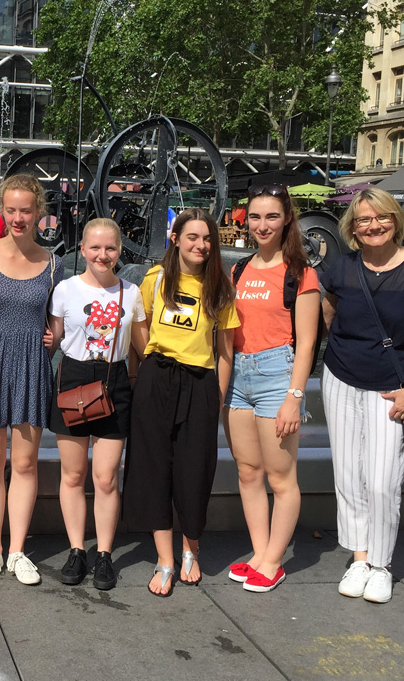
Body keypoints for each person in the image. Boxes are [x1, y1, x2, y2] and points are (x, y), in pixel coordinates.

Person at [320, 188, 404, 604]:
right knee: (348, 476)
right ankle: (359, 557)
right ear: (352, 228)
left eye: (382, 217)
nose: (373, 225)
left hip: (394, 387)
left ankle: (381, 564)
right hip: (341, 379)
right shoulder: (341, 267)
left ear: (396, 219)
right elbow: (329, 315)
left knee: (382, 480)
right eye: (363, 220)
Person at [122, 208, 238, 597]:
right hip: (157, 377)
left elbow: (225, 350)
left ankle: (191, 548)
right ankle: (165, 558)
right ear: (175, 239)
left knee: (194, 470)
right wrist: (148, 364)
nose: (200, 245)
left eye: (207, 239)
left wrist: (217, 396)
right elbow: (138, 324)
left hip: (200, 382)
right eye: (192, 237)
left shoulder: (219, 286)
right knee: (154, 468)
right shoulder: (155, 279)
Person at [224, 185, 321, 593]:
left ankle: (274, 560)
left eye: (272, 217)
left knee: (281, 477)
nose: (262, 225)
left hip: (276, 375)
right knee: (248, 471)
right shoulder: (239, 270)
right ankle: (259, 553)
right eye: (256, 217)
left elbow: (307, 343)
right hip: (238, 376)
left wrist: (294, 398)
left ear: (287, 221)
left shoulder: (301, 274)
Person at [0, 173, 63, 585]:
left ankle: (18, 550)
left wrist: (53, 338)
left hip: (32, 364)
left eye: (26, 210)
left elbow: (58, 320)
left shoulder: (53, 263)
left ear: (39, 211)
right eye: (11, 210)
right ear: (2, 210)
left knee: (24, 463)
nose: (18, 218)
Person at [47, 218, 145, 590]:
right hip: (73, 378)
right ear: (84, 249)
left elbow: (142, 347)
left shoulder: (131, 293)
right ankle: (77, 549)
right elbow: (54, 339)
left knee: (105, 478)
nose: (102, 255)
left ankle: (104, 553)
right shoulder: (65, 290)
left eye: (110, 248)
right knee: (73, 475)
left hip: (114, 381)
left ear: (119, 250)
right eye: (95, 248)